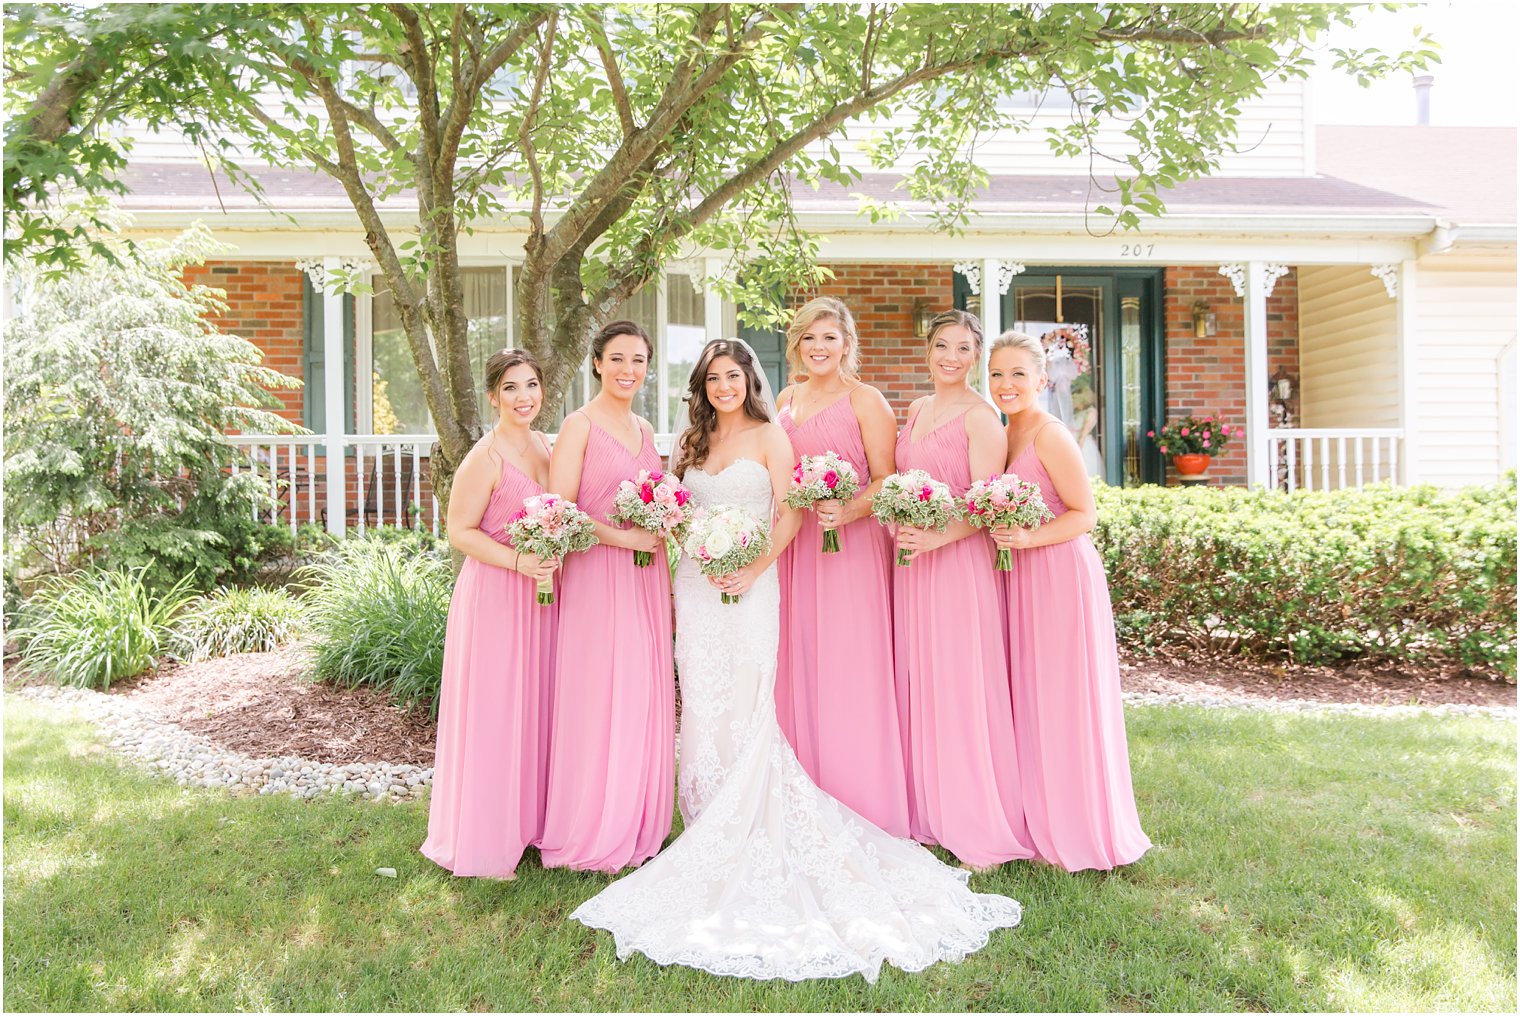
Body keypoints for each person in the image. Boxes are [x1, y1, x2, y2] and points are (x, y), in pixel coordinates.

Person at [570, 339, 1022, 983]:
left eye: (735, 375)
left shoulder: (772, 436)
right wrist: (681, 539)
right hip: (697, 587)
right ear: (700, 387)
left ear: (750, 380)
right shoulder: (689, 445)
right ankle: (704, 819)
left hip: (754, 586)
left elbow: (788, 516)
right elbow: (671, 508)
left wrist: (750, 567)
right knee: (701, 698)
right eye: (713, 378)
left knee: (749, 699)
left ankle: (750, 817)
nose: (725, 386)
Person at [988, 331, 1151, 872]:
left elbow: (1084, 513)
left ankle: (1078, 829)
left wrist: (1029, 539)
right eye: (996, 375)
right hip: (1018, 577)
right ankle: (1036, 819)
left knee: (1061, 700)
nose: (1006, 385)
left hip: (1057, 574)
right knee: (1027, 697)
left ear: (1041, 379)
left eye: (1017, 375)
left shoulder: (1051, 435)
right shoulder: (1004, 433)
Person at [892, 310, 1037, 869]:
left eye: (963, 349)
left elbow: (985, 504)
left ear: (977, 357)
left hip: (956, 564)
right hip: (910, 564)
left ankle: (974, 816)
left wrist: (936, 539)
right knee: (920, 680)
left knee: (959, 683)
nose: (951, 357)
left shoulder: (983, 419)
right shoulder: (917, 410)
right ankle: (930, 809)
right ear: (927, 350)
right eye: (942, 346)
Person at [539, 321, 675, 873]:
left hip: (644, 577)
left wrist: (661, 526)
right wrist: (623, 537)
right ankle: (591, 824)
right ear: (597, 363)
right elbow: (560, 508)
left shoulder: (644, 428)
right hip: (597, 575)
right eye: (617, 358)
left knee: (641, 691)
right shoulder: (579, 425)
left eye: (638, 360)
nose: (628, 370)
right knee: (598, 693)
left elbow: (657, 498)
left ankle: (637, 817)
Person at [774, 296, 909, 836]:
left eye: (829, 337)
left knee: (850, 660)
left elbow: (885, 479)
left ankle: (860, 794)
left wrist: (845, 509)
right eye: (809, 338)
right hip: (797, 546)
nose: (819, 347)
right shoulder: (785, 399)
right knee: (800, 655)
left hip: (849, 549)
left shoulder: (866, 400)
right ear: (797, 344)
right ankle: (801, 788)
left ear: (847, 344)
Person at [421, 349, 558, 879]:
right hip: (498, 593)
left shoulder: (547, 446)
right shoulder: (485, 456)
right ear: (492, 396)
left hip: (543, 594)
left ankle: (531, 822)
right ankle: (487, 830)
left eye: (531, 386)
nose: (524, 398)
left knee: (537, 704)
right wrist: (518, 560)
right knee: (497, 709)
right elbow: (459, 531)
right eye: (511, 389)